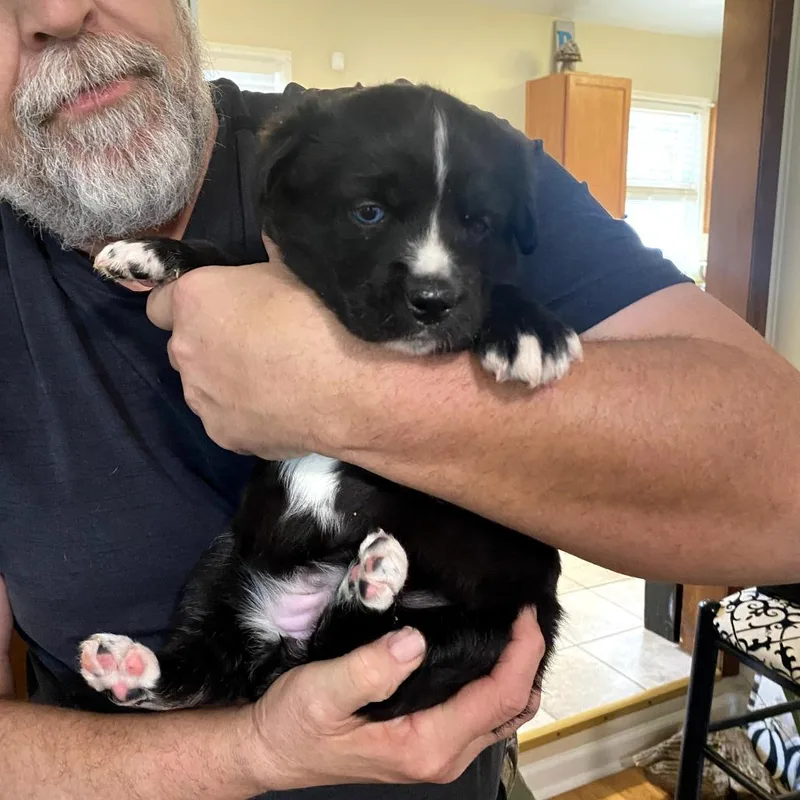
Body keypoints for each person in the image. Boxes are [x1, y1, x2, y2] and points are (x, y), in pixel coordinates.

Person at [2, 1, 800, 799]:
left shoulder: (434, 146)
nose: (58, 10)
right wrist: (253, 750)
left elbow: (783, 485)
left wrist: (347, 387)